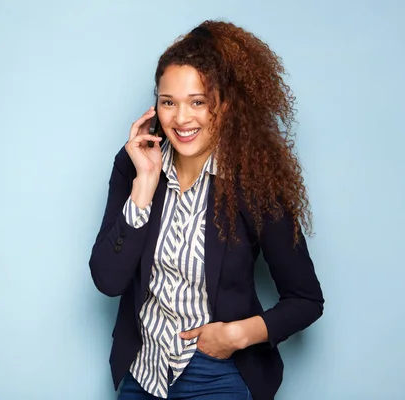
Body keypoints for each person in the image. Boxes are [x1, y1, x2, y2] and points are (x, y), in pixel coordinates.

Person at [89, 20, 324, 400]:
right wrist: (144, 187)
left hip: (217, 374)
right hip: (142, 372)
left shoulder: (253, 183)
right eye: (169, 102)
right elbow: (107, 280)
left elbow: (305, 300)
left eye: (197, 102)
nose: (181, 119)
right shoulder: (133, 163)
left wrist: (236, 335)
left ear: (224, 106)